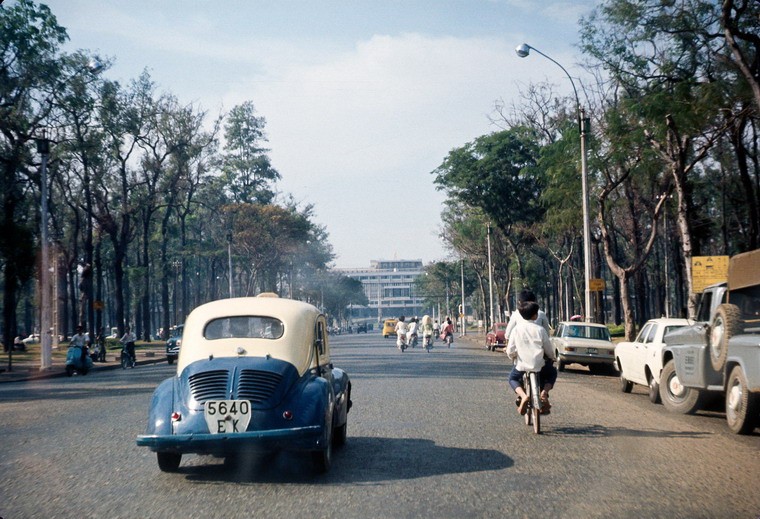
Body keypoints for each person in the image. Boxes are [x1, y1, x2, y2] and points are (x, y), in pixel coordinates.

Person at [506, 300, 557, 415]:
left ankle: (523, 396)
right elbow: (548, 349)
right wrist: (552, 357)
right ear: (535, 315)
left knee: (512, 378)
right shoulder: (540, 330)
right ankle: (544, 392)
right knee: (552, 373)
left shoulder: (516, 330)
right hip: (540, 364)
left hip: (522, 365)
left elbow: (510, 350)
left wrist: (513, 356)